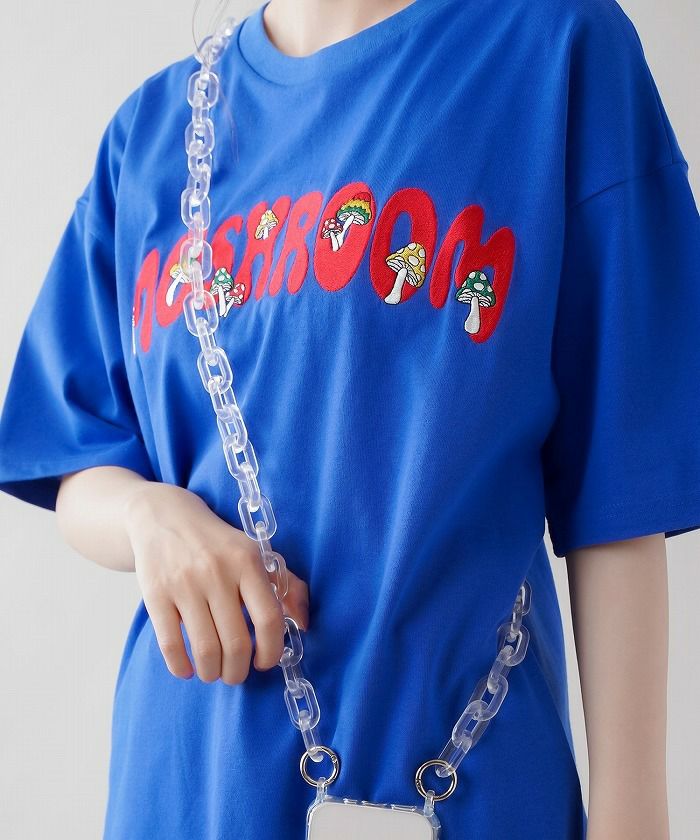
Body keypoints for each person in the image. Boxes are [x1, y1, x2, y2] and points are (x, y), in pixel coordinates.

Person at [0, 0, 698, 836]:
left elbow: (621, 483)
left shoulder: (555, 49)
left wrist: (632, 815)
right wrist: (149, 516)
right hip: (189, 787)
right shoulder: (152, 132)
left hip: (467, 774)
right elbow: (76, 453)